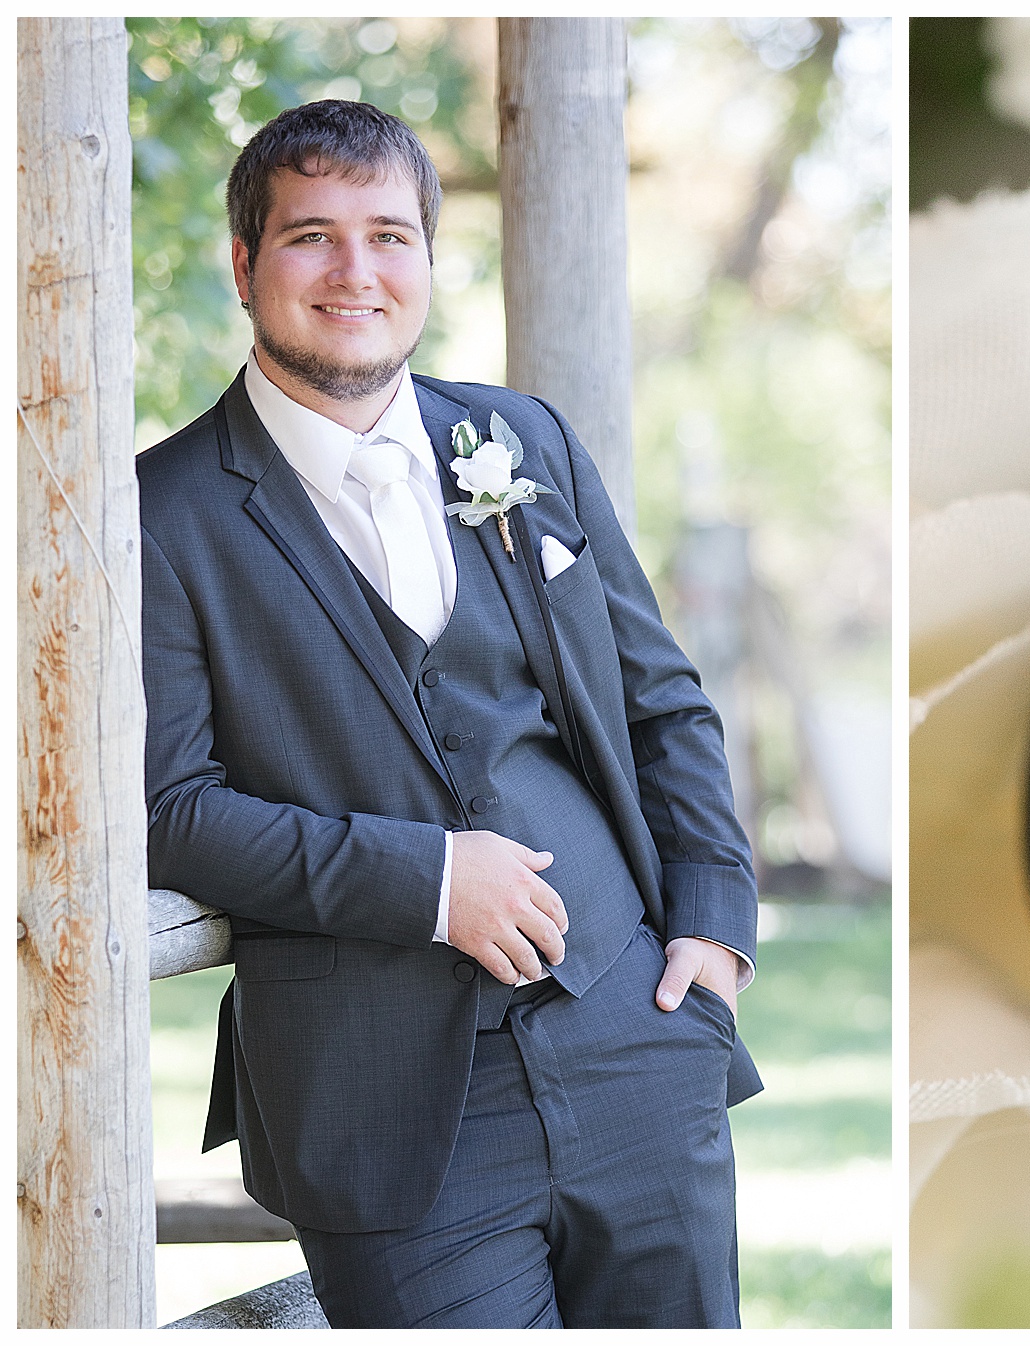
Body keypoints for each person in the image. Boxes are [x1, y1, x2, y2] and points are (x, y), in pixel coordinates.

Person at [139, 99, 760, 1328]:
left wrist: (715, 920)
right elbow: (167, 811)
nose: (356, 271)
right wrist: (428, 880)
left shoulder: (520, 439)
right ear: (243, 264)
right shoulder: (158, 512)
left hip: (635, 1027)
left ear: (427, 256)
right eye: (312, 235)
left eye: (389, 234)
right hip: (387, 1108)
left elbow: (660, 697)